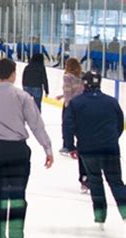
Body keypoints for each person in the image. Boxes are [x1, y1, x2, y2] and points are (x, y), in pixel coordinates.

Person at [0, 58, 53, 238]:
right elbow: (36, 124)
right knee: (18, 196)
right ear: (13, 73)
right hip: (18, 151)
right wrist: (47, 148)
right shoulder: (22, 97)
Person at [63, 71, 126, 228]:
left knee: (95, 181)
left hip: (87, 149)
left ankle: (100, 216)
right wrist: (111, 139)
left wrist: (71, 146)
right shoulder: (112, 102)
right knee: (116, 182)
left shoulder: (76, 103)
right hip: (110, 148)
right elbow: (120, 124)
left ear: (84, 84)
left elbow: (68, 126)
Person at [56, 58, 88, 193]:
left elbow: (69, 93)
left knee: (67, 126)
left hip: (72, 107)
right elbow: (79, 92)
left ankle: (68, 145)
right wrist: (61, 96)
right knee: (82, 133)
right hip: (83, 107)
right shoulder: (81, 76)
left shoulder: (67, 77)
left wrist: (68, 107)